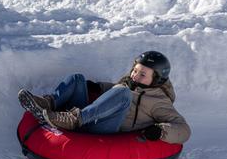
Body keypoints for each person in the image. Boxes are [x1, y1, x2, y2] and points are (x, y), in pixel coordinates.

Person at [17, 51, 191, 144]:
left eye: (142, 74)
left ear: (157, 80)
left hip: (108, 130)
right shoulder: (130, 84)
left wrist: (161, 131)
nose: (134, 76)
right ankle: (48, 103)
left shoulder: (158, 102)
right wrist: (99, 87)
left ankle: (73, 119)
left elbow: (183, 129)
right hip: (94, 118)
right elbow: (114, 91)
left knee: (123, 93)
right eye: (135, 70)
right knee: (78, 79)